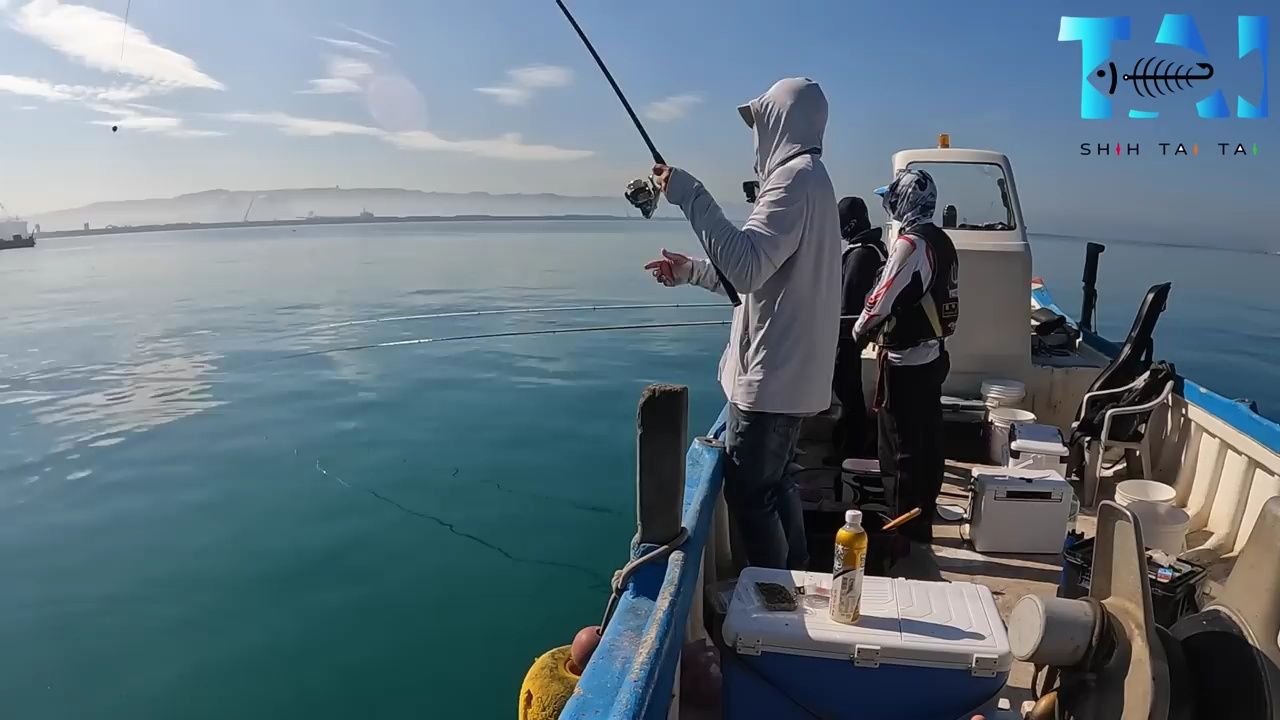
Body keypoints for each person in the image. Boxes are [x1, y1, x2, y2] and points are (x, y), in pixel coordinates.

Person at [643, 77, 841, 570]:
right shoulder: (812, 179)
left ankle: (778, 600)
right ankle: (795, 584)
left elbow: (746, 266)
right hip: (792, 378)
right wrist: (690, 271)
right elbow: (752, 282)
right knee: (776, 486)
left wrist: (689, 193)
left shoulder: (794, 179)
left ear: (779, 122)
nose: (755, 135)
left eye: (760, 122)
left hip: (772, 380)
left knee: (752, 496)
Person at [850, 168, 958, 545]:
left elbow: (880, 299)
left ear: (902, 200)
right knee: (926, 443)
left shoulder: (909, 245)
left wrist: (858, 329)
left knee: (898, 451)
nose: (887, 205)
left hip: (904, 366)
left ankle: (901, 533)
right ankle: (921, 517)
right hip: (933, 358)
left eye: (891, 198)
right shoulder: (941, 240)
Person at [832, 196, 886, 462]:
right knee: (847, 387)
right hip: (860, 332)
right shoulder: (875, 248)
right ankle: (847, 438)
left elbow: (848, 302)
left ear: (851, 223)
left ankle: (853, 447)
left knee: (846, 388)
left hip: (848, 333)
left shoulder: (861, 254)